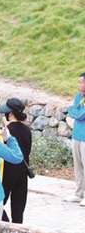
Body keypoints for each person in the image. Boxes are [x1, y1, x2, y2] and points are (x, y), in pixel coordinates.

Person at [0, 98, 32, 223]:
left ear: (10, 113)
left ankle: (6, 226)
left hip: (7, 171)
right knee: (18, 208)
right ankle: (17, 229)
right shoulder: (27, 130)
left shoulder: (5, 131)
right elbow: (27, 151)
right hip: (22, 172)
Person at [65, 72, 85, 206]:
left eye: (80, 82)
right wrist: (73, 110)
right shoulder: (78, 96)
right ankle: (79, 193)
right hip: (76, 135)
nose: (78, 84)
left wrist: (73, 110)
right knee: (78, 166)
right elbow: (72, 111)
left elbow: (80, 114)